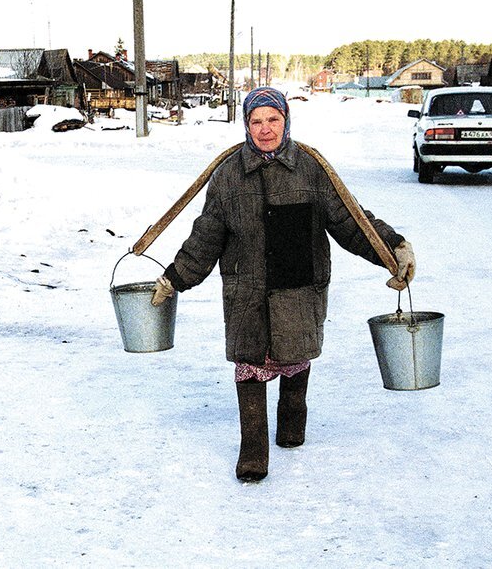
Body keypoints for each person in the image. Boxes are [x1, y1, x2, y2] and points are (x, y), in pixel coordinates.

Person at [150, 86, 415, 482]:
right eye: (256, 121)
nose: (265, 129)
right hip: (248, 287)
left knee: (294, 357)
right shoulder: (227, 175)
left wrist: (393, 249)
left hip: (299, 283)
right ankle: (252, 453)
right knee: (249, 362)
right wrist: (174, 278)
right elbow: (206, 237)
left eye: (273, 119)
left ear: (286, 121)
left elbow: (350, 221)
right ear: (246, 125)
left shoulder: (311, 168)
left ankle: (292, 424)